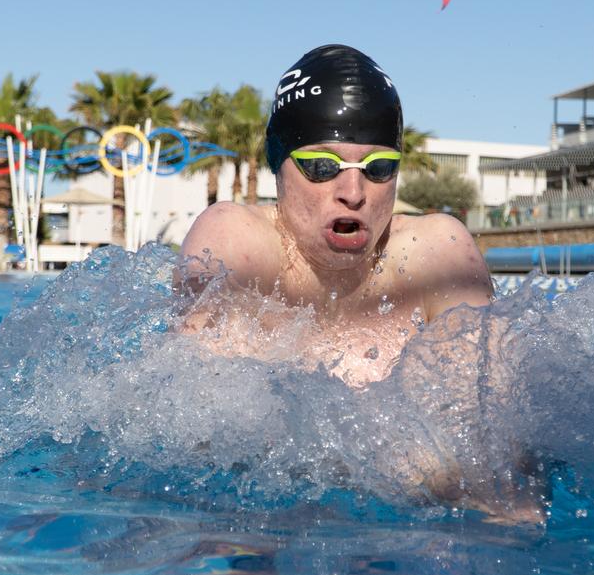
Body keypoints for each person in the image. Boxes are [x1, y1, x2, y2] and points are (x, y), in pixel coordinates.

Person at [175, 45, 543, 524]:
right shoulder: (236, 240)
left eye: (379, 168)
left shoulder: (437, 252)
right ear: (278, 165)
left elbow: (494, 453)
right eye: (322, 166)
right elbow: (203, 438)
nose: (352, 193)